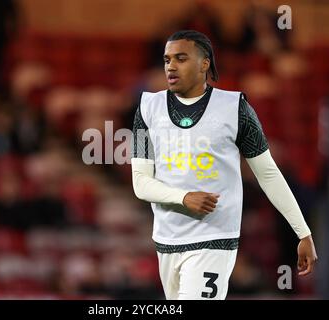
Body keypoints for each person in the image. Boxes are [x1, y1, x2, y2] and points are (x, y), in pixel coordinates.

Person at [131, 30, 317, 300]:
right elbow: (141, 182)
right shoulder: (147, 108)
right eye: (167, 59)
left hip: (215, 237)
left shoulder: (236, 108)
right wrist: (184, 198)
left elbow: (267, 173)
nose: (171, 65)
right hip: (167, 239)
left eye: (181, 58)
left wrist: (303, 232)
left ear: (204, 63)